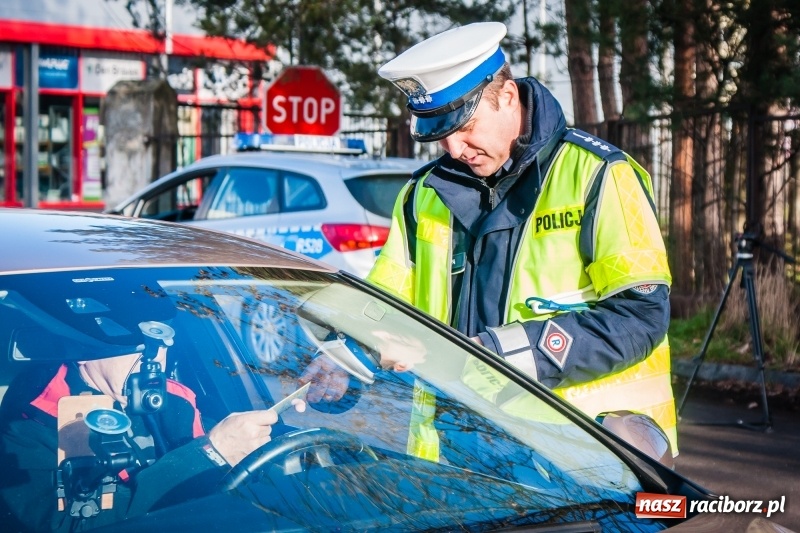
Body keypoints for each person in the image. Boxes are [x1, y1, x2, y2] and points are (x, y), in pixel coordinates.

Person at [366, 22, 677, 457]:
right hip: (453, 451)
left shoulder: (599, 175)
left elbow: (640, 318)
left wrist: (497, 352)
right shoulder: (421, 196)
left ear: (508, 97)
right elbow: (379, 309)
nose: (455, 148)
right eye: (441, 134)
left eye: (466, 126)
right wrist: (347, 356)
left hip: (575, 457)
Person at [0, 347, 305, 532]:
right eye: (137, 346)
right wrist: (210, 453)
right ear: (86, 352)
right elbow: (73, 525)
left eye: (160, 343)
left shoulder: (173, 399)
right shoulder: (32, 421)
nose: (153, 360)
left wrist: (311, 391)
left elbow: (230, 472)